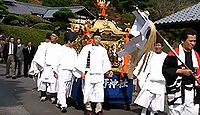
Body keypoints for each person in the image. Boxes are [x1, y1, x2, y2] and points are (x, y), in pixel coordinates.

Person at [162, 29, 200, 115]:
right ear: (183, 41)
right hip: (177, 91)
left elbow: (199, 71)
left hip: (192, 92)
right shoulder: (174, 54)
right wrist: (181, 71)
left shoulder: (196, 55)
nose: (193, 43)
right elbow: (165, 70)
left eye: (194, 41)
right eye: (190, 41)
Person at [76, 29, 112, 115]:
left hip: (99, 74)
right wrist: (82, 72)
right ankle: (88, 108)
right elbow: (81, 60)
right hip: (89, 74)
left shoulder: (103, 50)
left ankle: (98, 109)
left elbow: (106, 61)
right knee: (87, 91)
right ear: (93, 39)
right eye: (96, 38)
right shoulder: (86, 48)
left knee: (99, 92)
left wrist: (108, 70)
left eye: (99, 39)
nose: (98, 40)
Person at [133, 38, 167, 115]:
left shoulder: (166, 56)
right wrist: (138, 75)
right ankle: (143, 112)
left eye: (159, 45)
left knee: (156, 104)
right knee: (145, 101)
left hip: (160, 83)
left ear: (162, 46)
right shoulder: (149, 55)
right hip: (150, 82)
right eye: (155, 45)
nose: (157, 47)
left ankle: (153, 113)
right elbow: (142, 66)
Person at [56, 31, 78, 113]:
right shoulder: (60, 49)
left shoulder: (73, 51)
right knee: (62, 88)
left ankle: (59, 101)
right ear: (69, 41)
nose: (74, 43)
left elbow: (76, 62)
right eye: (73, 41)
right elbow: (56, 61)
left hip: (71, 72)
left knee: (66, 89)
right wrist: (55, 71)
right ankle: (63, 105)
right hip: (62, 71)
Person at [38, 30, 61, 104]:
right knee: (43, 82)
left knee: (53, 82)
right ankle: (43, 95)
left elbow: (60, 58)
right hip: (46, 66)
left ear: (57, 38)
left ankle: (53, 96)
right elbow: (40, 55)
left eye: (54, 36)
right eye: (52, 35)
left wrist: (57, 69)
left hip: (54, 67)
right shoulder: (45, 45)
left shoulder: (59, 47)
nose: (52, 37)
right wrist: (40, 64)